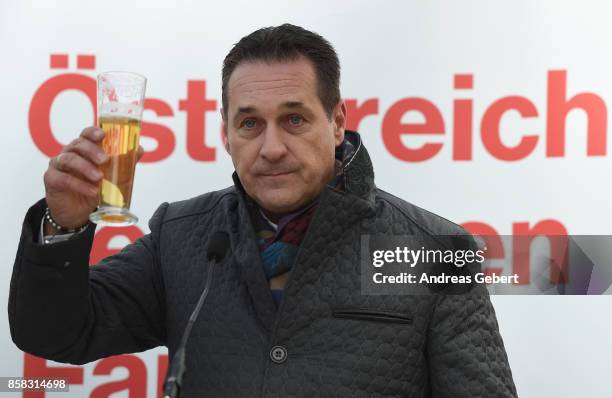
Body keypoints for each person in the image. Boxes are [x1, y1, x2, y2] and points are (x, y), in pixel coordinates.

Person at [9, 24, 517, 397]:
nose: (271, 147)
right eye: (250, 124)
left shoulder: (431, 251)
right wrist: (65, 225)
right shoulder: (180, 236)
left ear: (337, 122)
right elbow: (55, 333)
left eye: (294, 119)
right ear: (225, 131)